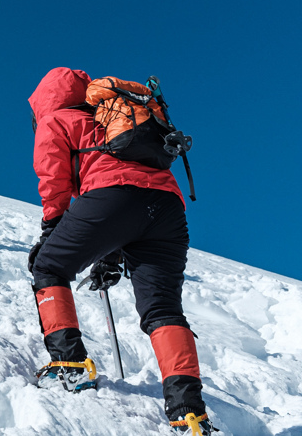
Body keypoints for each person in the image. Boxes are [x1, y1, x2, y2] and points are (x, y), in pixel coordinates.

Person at [27, 67, 213, 435]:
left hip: (112, 197)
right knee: (162, 308)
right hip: (167, 208)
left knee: (48, 266)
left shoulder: (58, 119)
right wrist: (109, 256)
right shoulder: (115, 117)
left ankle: (70, 364)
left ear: (44, 98)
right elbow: (124, 204)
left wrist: (52, 228)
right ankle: (189, 412)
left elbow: (54, 176)